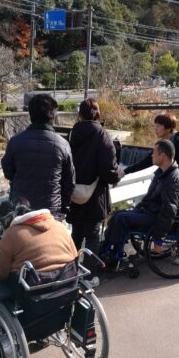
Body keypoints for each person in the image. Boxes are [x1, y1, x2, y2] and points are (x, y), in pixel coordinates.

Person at [100, 139, 179, 266]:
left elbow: (169, 210)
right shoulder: (162, 173)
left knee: (121, 218)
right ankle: (107, 248)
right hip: (149, 211)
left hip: (156, 217)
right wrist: (138, 208)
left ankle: (114, 255)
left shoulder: (172, 179)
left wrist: (158, 239)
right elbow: (150, 198)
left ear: (162, 156)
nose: (151, 155)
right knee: (117, 214)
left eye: (154, 152)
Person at [0, 198, 78, 305]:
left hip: (34, 292)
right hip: (66, 283)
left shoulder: (11, 234)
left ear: (4, 223)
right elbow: (75, 255)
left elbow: (0, 273)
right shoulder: (59, 225)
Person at [1, 94, 75, 218]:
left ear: (30, 115)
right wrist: (64, 207)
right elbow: (69, 182)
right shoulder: (63, 145)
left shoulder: (15, 141)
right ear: (53, 116)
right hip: (50, 213)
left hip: (20, 211)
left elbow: (8, 173)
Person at [67, 98, 124, 253]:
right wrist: (119, 173)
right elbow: (109, 170)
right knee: (92, 237)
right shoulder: (102, 135)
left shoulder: (72, 133)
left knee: (76, 235)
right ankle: (89, 269)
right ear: (97, 114)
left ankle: (70, 267)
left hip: (74, 194)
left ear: (80, 114)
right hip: (95, 196)